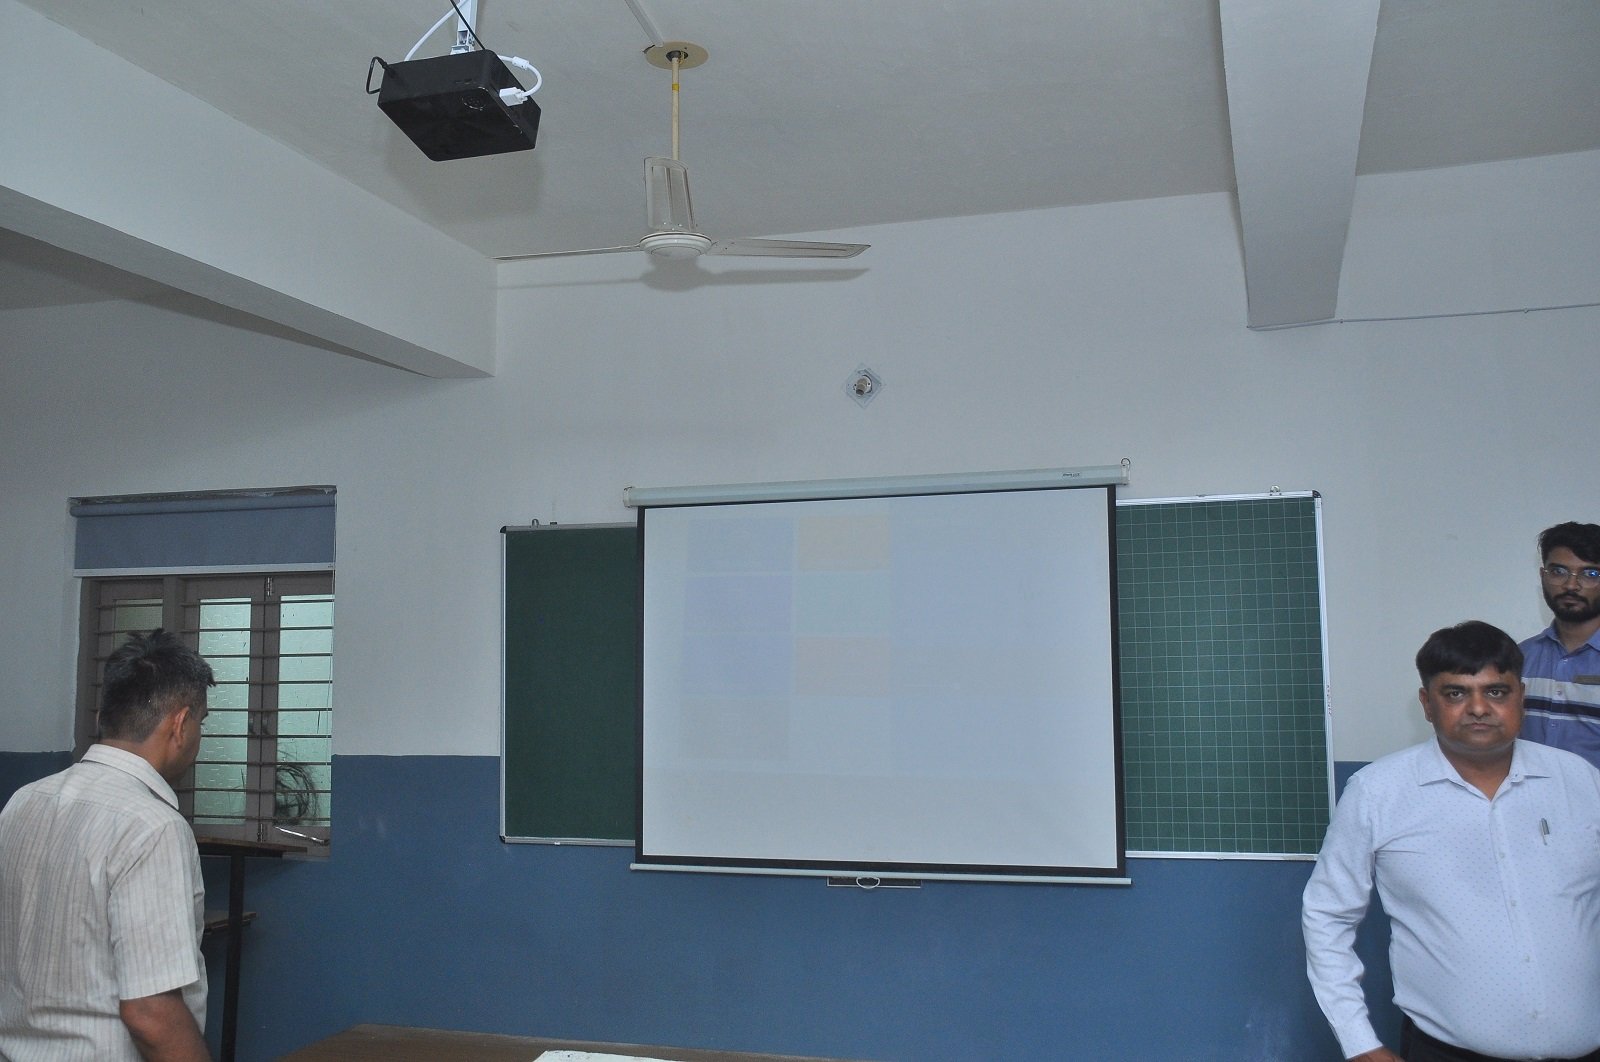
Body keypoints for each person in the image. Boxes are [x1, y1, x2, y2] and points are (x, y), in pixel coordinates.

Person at [1302, 620, 1600, 1062]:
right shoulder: (1378, 792)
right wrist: (1358, 1042)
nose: (1478, 708)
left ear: (1520, 695)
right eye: (1456, 693)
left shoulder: (1579, 780)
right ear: (1427, 703)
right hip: (1445, 1052)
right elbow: (1327, 915)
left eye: (1496, 691)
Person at [0, 629, 214, 1061]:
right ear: (180, 725)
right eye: (201, 723)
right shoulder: (153, 827)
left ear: (103, 717)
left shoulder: (23, 801)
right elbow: (150, 1012)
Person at [1520, 521, 1600, 771]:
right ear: (1543, 576)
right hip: (1530, 795)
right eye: (1559, 571)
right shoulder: (1519, 658)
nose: (1571, 585)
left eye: (1590, 574)